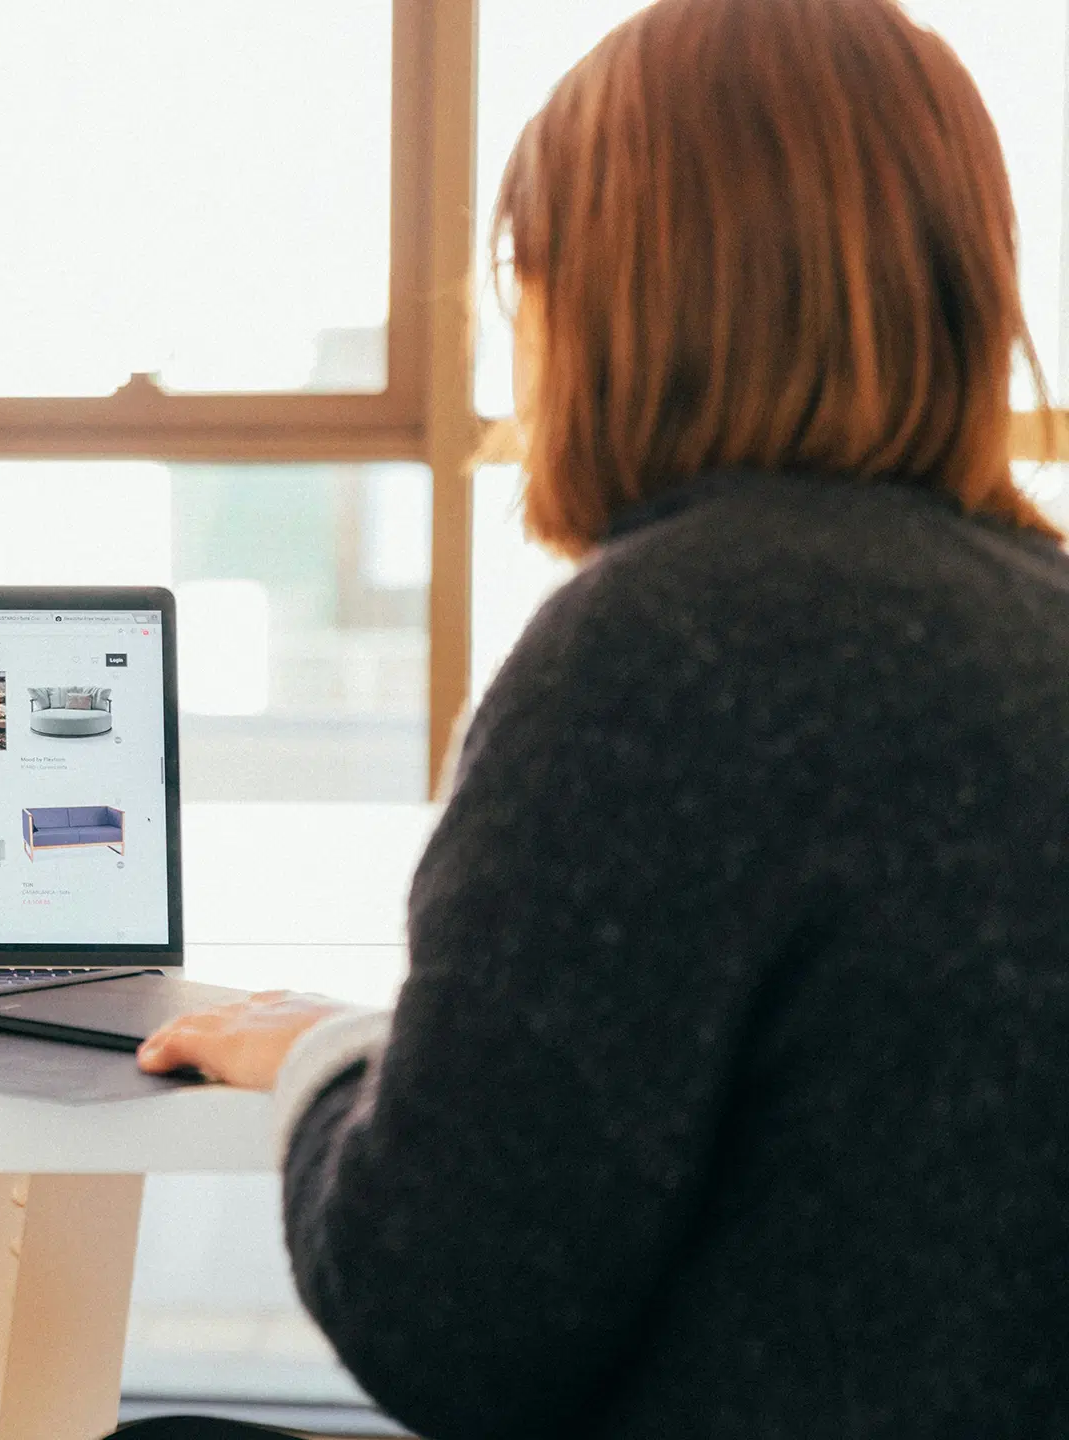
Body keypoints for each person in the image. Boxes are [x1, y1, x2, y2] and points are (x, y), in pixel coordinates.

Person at [122, 0, 1069, 1436]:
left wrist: (328, 1060)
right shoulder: (1040, 612)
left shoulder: (667, 642)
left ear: (612, 291)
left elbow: (443, 1318)